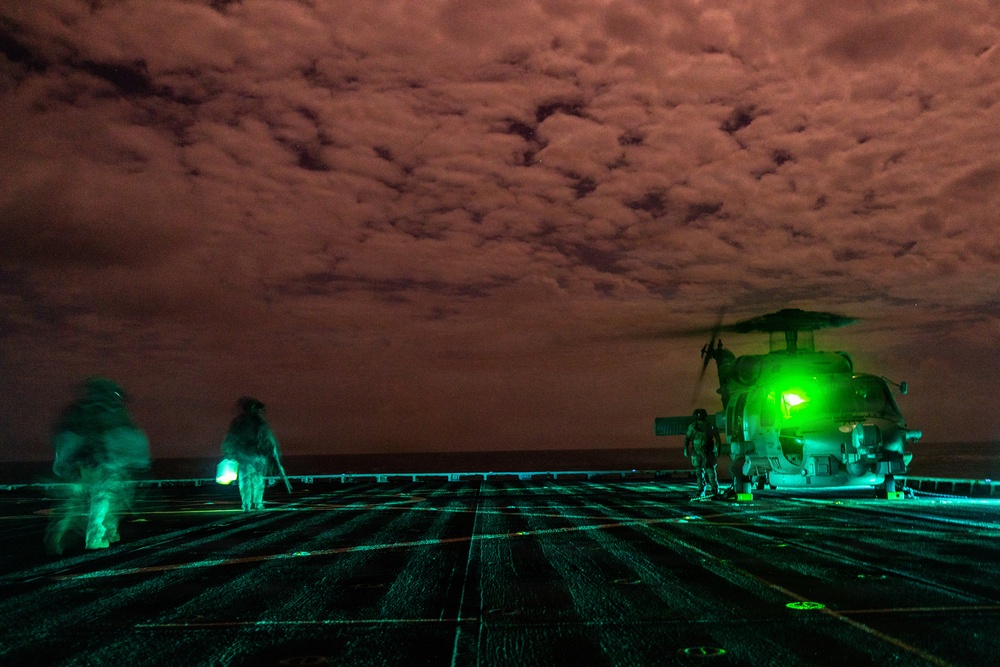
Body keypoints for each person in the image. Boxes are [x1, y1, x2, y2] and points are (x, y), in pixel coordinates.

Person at [45, 377, 150, 554]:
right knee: (105, 500)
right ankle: (96, 538)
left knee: (70, 504)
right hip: (100, 466)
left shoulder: (76, 411)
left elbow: (62, 437)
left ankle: (57, 535)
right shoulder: (111, 411)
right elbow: (121, 438)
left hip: (75, 467)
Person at [221, 397, 290, 511]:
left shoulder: (238, 422)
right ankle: (257, 504)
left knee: (245, 481)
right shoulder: (259, 422)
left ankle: (246, 505)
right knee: (257, 480)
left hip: (244, 456)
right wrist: (274, 458)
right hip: (257, 457)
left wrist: (229, 453)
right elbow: (268, 441)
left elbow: (230, 439)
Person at [683, 408, 720, 498]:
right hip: (698, 452)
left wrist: (718, 449)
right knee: (699, 473)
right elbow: (687, 438)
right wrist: (685, 449)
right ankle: (702, 490)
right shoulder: (693, 426)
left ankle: (714, 490)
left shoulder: (710, 425)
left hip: (707, 452)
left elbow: (717, 438)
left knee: (710, 472)